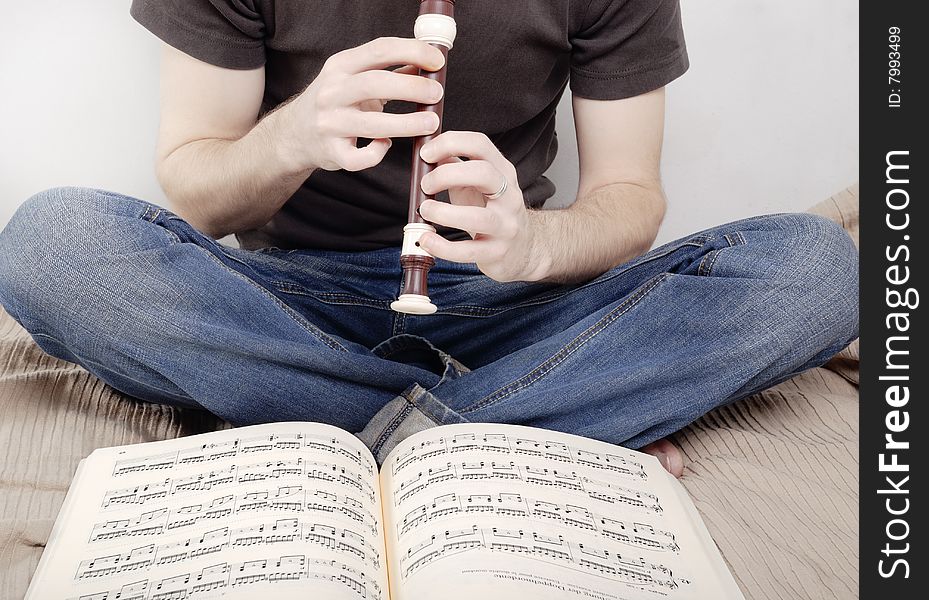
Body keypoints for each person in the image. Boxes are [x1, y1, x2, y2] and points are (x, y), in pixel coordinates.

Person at [0, 0, 858, 476]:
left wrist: (531, 247)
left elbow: (629, 199)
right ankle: (536, 423)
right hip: (292, 301)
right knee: (49, 241)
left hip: (514, 307)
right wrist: (295, 134)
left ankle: (340, 421)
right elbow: (199, 194)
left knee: (820, 268)